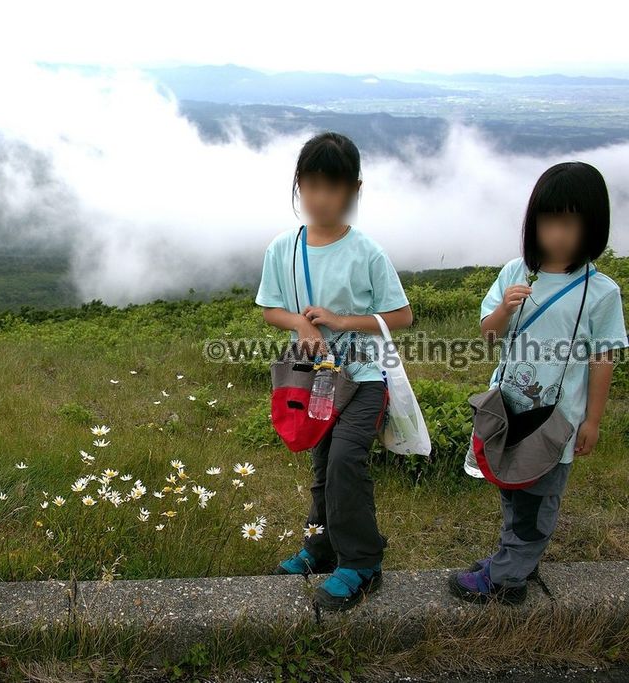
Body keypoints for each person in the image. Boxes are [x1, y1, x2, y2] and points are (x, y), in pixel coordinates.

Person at [450, 161, 627, 604]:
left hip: (557, 421)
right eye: (550, 220)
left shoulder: (600, 291)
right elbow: (488, 333)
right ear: (534, 223)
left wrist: (593, 420)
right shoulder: (516, 273)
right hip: (509, 413)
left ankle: (506, 577)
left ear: (592, 226)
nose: (560, 233)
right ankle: (515, 562)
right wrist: (505, 310)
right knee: (513, 488)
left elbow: (603, 358)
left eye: (572, 221)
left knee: (537, 501)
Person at [256, 132, 413, 611]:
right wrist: (300, 321)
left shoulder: (367, 252)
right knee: (324, 468)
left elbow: (401, 316)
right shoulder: (284, 247)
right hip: (318, 380)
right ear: (299, 185)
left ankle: (363, 562)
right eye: (312, 185)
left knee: (346, 458)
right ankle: (321, 549)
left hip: (364, 378)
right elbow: (270, 310)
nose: (322, 198)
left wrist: (343, 321)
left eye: (335, 187)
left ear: (354, 190)